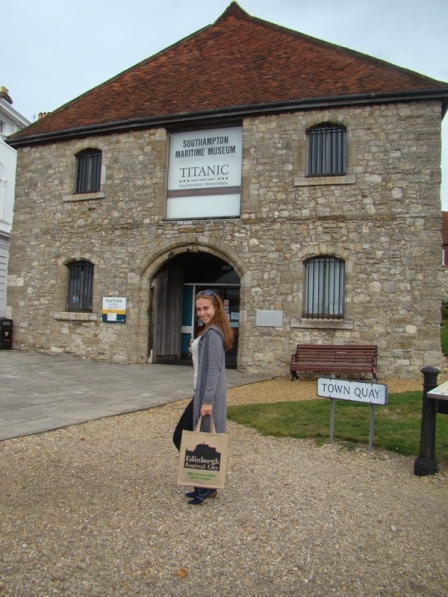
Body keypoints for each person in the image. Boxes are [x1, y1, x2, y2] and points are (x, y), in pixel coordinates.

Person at [173, 289, 234, 505]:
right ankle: (205, 485)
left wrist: (207, 401)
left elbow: (214, 370)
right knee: (194, 438)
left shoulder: (214, 334)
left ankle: (207, 485)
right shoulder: (208, 330)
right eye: (199, 309)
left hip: (208, 397)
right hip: (200, 393)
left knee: (191, 437)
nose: (201, 313)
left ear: (216, 308)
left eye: (205, 308)